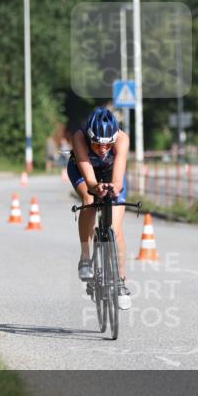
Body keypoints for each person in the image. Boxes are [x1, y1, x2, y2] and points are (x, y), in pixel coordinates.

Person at [68, 107, 131, 310]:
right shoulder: (79, 137)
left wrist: (113, 188)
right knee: (89, 198)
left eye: (107, 145)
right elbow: (90, 181)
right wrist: (96, 187)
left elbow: (119, 181)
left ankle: (120, 282)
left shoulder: (122, 139)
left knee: (116, 227)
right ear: (90, 137)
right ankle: (85, 257)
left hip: (111, 171)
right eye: (97, 144)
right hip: (84, 169)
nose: (103, 149)